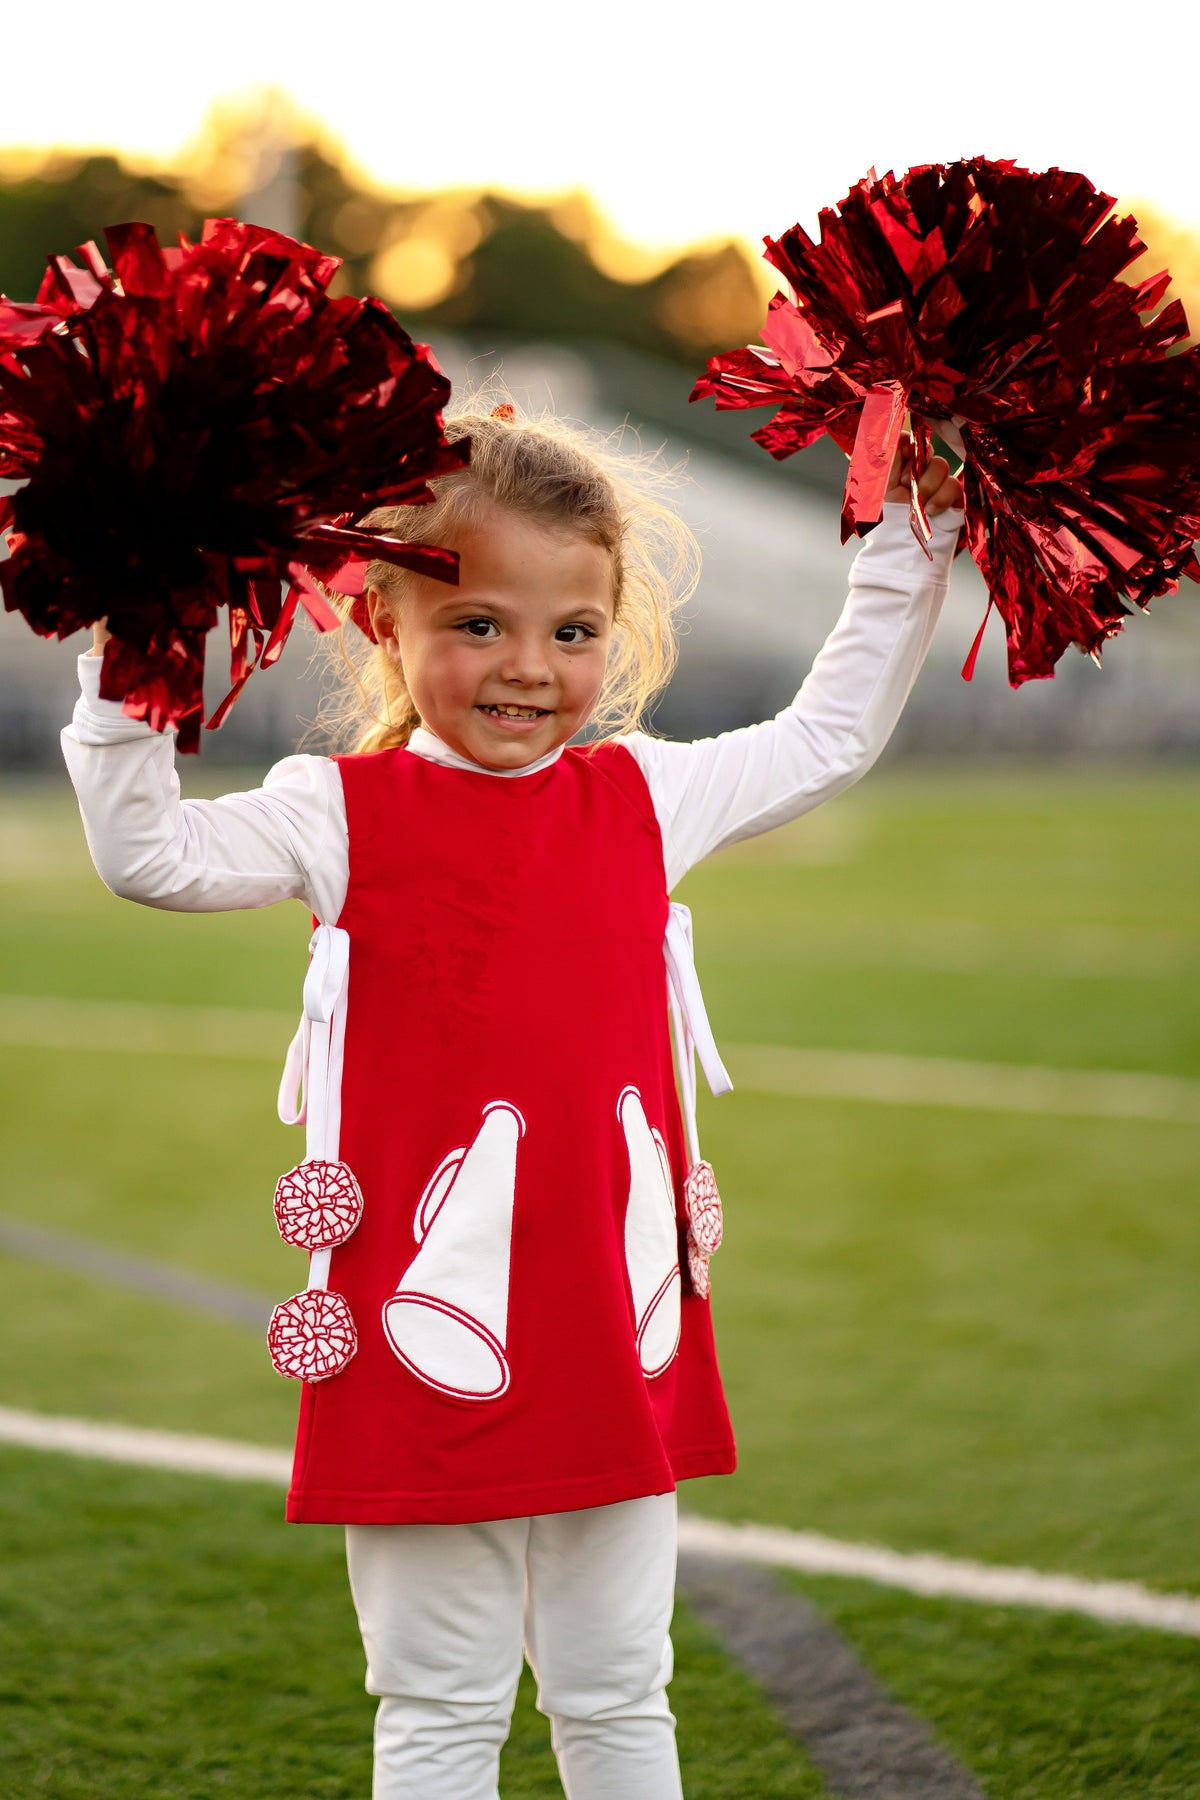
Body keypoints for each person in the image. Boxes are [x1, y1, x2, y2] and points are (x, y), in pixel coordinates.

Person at [62, 406, 963, 1800]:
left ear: (616, 633)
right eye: (477, 624)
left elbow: (832, 732)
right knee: (439, 1707)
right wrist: (134, 652)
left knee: (619, 1695)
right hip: (423, 1338)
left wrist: (913, 528)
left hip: (613, 1325)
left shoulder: (648, 798)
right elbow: (148, 855)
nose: (529, 669)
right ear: (384, 618)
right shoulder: (335, 814)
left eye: (573, 630)